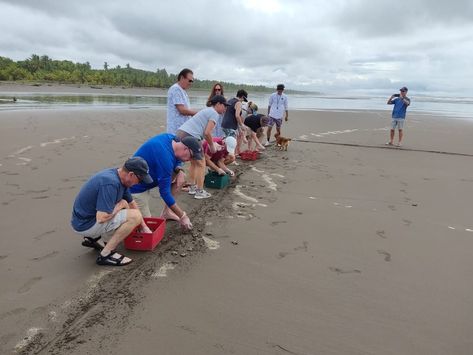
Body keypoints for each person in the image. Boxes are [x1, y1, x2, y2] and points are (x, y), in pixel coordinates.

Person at [71, 157, 153, 266]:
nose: (139, 183)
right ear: (131, 174)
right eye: (140, 179)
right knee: (135, 216)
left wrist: (144, 227)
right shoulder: (111, 183)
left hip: (81, 219)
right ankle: (106, 254)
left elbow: (132, 203)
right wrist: (121, 205)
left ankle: (93, 239)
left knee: (131, 209)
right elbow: (101, 218)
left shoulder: (120, 177)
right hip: (84, 225)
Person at [129, 134, 201, 229]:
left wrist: (179, 170)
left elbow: (178, 160)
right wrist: (183, 216)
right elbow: (164, 193)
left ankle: (167, 212)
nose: (190, 160)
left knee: (181, 177)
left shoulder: (171, 138)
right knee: (146, 227)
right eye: (191, 156)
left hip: (149, 178)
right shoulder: (165, 159)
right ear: (185, 148)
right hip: (135, 188)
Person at [176, 95, 230, 199]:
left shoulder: (207, 110)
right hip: (190, 136)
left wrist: (213, 143)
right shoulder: (214, 113)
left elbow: (203, 132)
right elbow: (207, 133)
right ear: (218, 104)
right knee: (201, 163)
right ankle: (199, 191)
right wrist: (212, 146)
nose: (225, 108)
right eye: (224, 105)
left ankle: (192, 187)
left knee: (194, 162)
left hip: (180, 133)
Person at [166, 68, 198, 134]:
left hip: (183, 129)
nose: (190, 83)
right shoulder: (176, 89)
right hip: (176, 129)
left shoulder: (182, 90)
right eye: (189, 80)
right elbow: (182, 110)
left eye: (192, 81)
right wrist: (198, 113)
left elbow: (186, 108)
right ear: (182, 78)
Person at [221, 89, 248, 155]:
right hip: (230, 125)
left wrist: (239, 129)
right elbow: (237, 116)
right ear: (242, 97)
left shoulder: (230, 100)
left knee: (226, 142)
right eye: (243, 100)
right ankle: (231, 159)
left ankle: (223, 156)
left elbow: (225, 111)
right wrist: (242, 125)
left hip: (224, 124)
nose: (242, 101)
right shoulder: (238, 103)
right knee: (231, 143)